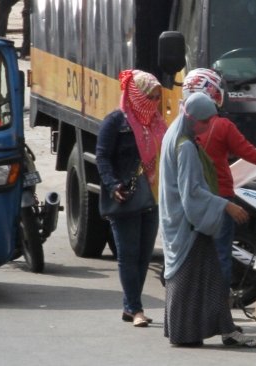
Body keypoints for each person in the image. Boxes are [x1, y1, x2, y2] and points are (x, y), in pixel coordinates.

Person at [159, 92, 256, 347]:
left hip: (182, 223)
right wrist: (225, 205)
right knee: (188, 279)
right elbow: (191, 193)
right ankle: (185, 333)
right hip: (189, 225)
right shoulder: (185, 148)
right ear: (194, 120)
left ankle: (222, 329)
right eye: (206, 122)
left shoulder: (175, 134)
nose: (208, 126)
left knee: (210, 278)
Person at [183, 68, 256, 292]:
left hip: (190, 199)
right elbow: (255, 157)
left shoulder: (179, 126)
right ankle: (219, 310)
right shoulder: (222, 126)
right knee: (221, 255)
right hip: (221, 199)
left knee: (193, 255)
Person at [96, 69, 167, 327]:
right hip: (125, 196)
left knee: (144, 255)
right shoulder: (115, 121)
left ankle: (131, 307)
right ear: (136, 95)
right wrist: (112, 183)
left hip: (153, 197)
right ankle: (135, 308)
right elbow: (102, 156)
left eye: (158, 97)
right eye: (150, 97)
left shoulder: (158, 123)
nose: (155, 103)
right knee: (128, 254)